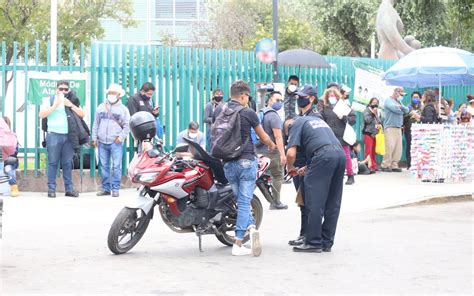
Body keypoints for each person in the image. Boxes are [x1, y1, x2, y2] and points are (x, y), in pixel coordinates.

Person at [213, 80, 276, 257]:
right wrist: (271, 145)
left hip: (227, 164)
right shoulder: (248, 113)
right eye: (247, 96)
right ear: (242, 95)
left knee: (240, 198)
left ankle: (251, 227)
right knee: (243, 202)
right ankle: (238, 243)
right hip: (246, 161)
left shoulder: (220, 110)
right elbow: (263, 136)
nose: (248, 99)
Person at [286, 110, 345, 253]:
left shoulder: (296, 124)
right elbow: (324, 149)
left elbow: (291, 153)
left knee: (314, 201)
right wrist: (309, 167)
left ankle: (313, 242)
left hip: (323, 156)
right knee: (333, 202)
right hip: (340, 154)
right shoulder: (317, 122)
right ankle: (326, 242)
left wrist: (290, 167)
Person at [286, 84, 324, 247]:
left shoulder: (316, 117)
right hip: (298, 165)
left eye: (303, 97)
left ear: (312, 99)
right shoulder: (300, 116)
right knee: (302, 202)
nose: (299, 99)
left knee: (310, 203)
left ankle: (310, 235)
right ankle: (304, 233)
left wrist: (308, 166)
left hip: (308, 165)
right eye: (298, 96)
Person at [39, 81, 85, 198]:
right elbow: (42, 114)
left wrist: (70, 105)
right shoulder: (48, 100)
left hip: (69, 136)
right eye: (61, 89)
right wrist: (55, 105)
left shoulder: (71, 100)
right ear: (56, 89)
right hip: (53, 134)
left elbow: (82, 114)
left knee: (67, 163)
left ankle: (69, 189)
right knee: (53, 163)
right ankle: (51, 189)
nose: (63, 91)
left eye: (65, 89)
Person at [92, 83, 130, 197]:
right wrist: (94, 137)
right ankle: (106, 188)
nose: (111, 95)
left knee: (116, 166)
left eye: (113, 93)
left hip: (115, 142)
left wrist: (121, 137)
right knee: (104, 165)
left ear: (119, 95)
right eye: (110, 93)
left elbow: (127, 125)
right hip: (102, 141)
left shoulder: (123, 109)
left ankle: (116, 188)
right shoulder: (101, 107)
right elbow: (96, 123)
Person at [255, 91, 287, 210]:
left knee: (255, 175)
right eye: (276, 100)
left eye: (281, 100)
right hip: (271, 152)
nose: (279, 103)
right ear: (270, 100)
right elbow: (278, 137)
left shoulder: (260, 113)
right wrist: (283, 155)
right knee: (278, 175)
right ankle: (276, 202)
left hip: (257, 150)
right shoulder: (273, 116)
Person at [318, 87, 357, 185]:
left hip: (342, 134)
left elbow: (353, 119)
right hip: (329, 134)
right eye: (330, 95)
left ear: (337, 96)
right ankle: (333, 175)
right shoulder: (324, 107)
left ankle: (350, 175)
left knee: (346, 156)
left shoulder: (343, 105)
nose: (332, 97)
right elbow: (320, 118)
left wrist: (344, 117)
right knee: (330, 156)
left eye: (333, 95)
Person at [381, 87, 409, 172]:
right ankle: (385, 165)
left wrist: (400, 107)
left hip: (398, 127)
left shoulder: (399, 101)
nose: (401, 96)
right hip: (390, 126)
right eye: (400, 94)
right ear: (396, 92)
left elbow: (407, 110)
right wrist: (401, 109)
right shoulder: (388, 100)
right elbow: (394, 109)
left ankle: (394, 165)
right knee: (389, 146)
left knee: (398, 148)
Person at [362, 98, 383, 173]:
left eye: (376, 102)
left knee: (374, 151)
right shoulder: (367, 110)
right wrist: (372, 113)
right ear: (370, 103)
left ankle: (374, 166)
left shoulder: (378, 111)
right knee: (368, 151)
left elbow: (379, 121)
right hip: (368, 133)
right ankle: (368, 166)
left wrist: (380, 124)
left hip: (375, 134)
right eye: (373, 102)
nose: (375, 104)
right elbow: (367, 120)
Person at [403, 92, 421, 170]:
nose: (415, 99)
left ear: (420, 98)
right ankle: (409, 164)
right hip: (409, 129)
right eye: (414, 97)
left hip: (420, 130)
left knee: (419, 147)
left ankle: (418, 164)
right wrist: (409, 115)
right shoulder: (408, 107)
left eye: (417, 97)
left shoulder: (422, 107)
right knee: (410, 146)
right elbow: (403, 118)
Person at [2, 116, 19, 196]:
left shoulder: (12, 136)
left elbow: (14, 151)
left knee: (8, 169)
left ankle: (14, 186)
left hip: (9, 160)